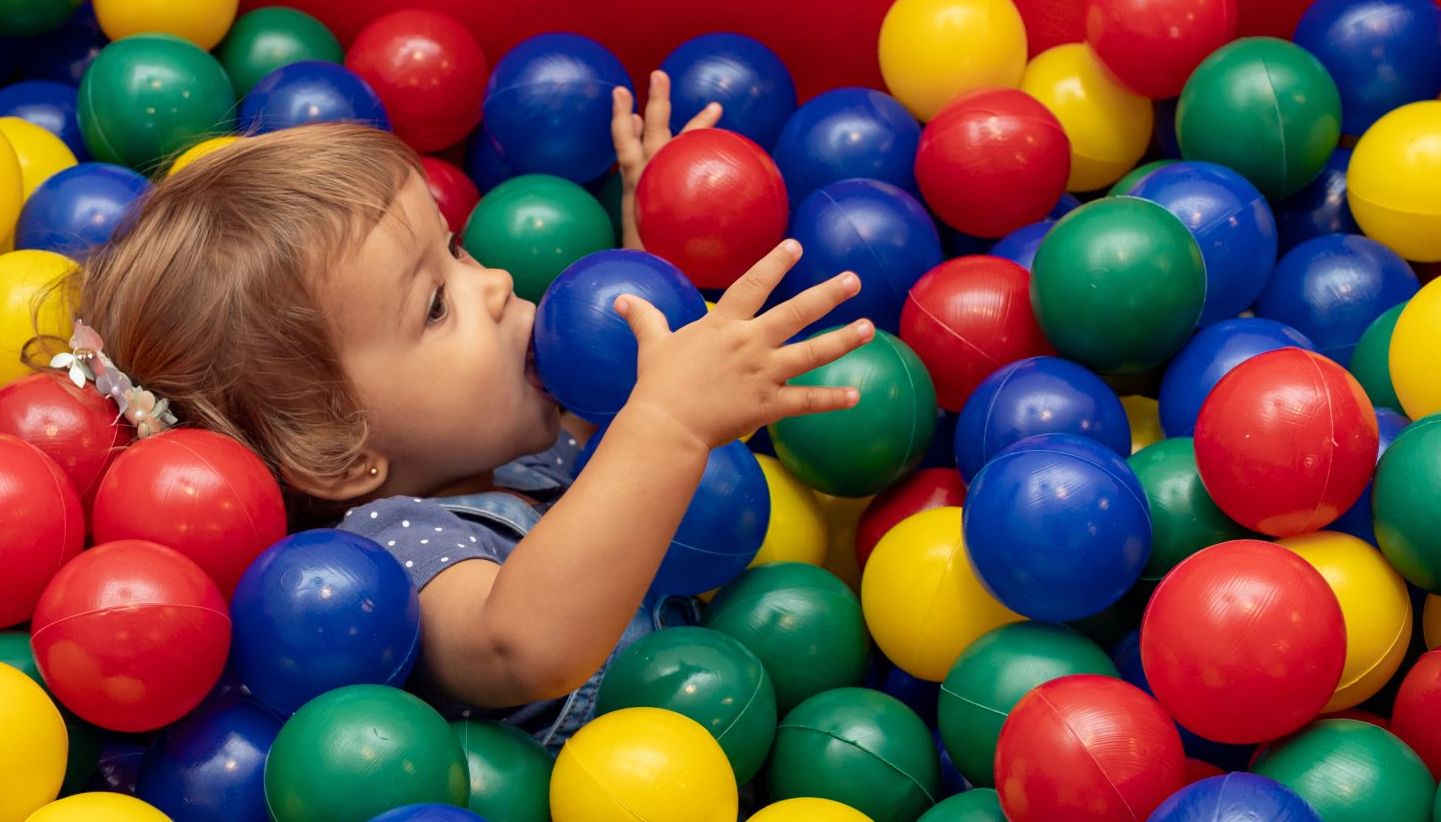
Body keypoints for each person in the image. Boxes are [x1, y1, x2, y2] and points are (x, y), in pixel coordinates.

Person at [48, 74, 870, 740]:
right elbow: (524, 646)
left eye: (454, 249)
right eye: (436, 305)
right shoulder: (390, 556)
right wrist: (672, 421)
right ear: (342, 451)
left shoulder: (510, 435)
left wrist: (647, 253)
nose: (495, 280)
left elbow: (618, 392)